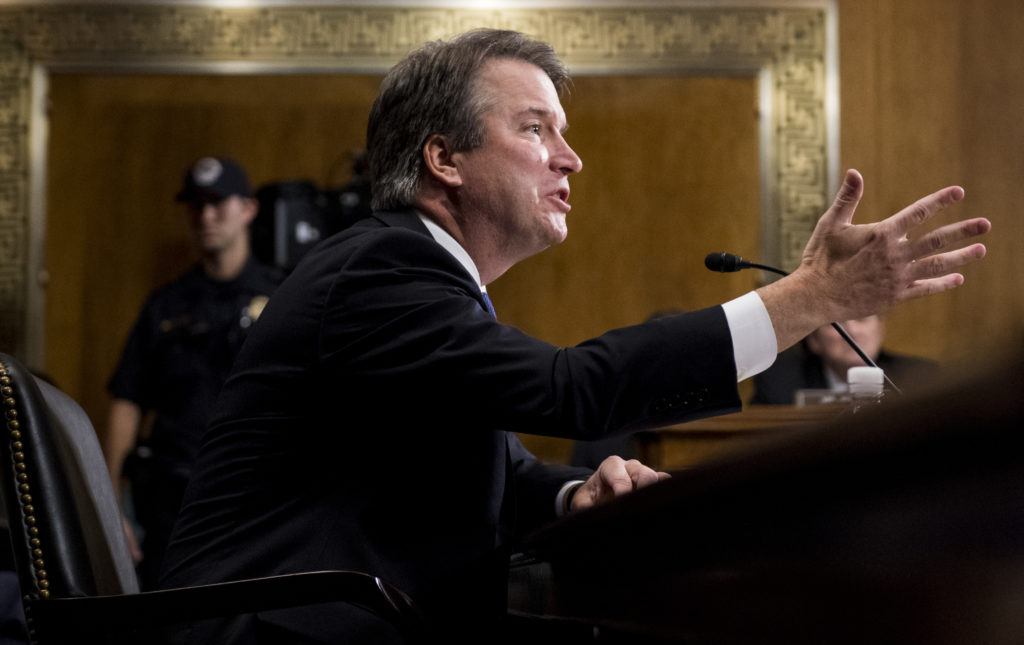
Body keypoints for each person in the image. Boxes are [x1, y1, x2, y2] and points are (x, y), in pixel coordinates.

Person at [158, 29, 989, 644]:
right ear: (443, 157)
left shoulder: (420, 278)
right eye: (536, 129)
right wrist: (805, 300)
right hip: (270, 630)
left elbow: (498, 468)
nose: (572, 159)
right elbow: (571, 389)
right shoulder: (381, 269)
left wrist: (572, 493)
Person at [103, 157, 281, 589]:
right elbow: (126, 400)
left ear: (249, 210)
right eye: (196, 205)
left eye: (218, 203)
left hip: (252, 501)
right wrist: (110, 509)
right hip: (170, 502)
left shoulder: (283, 298)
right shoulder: (166, 305)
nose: (205, 216)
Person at [751, 315, 938, 404]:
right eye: (837, 324)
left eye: (862, 319)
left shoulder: (921, 378)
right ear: (814, 340)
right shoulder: (778, 382)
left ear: (880, 332)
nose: (852, 332)